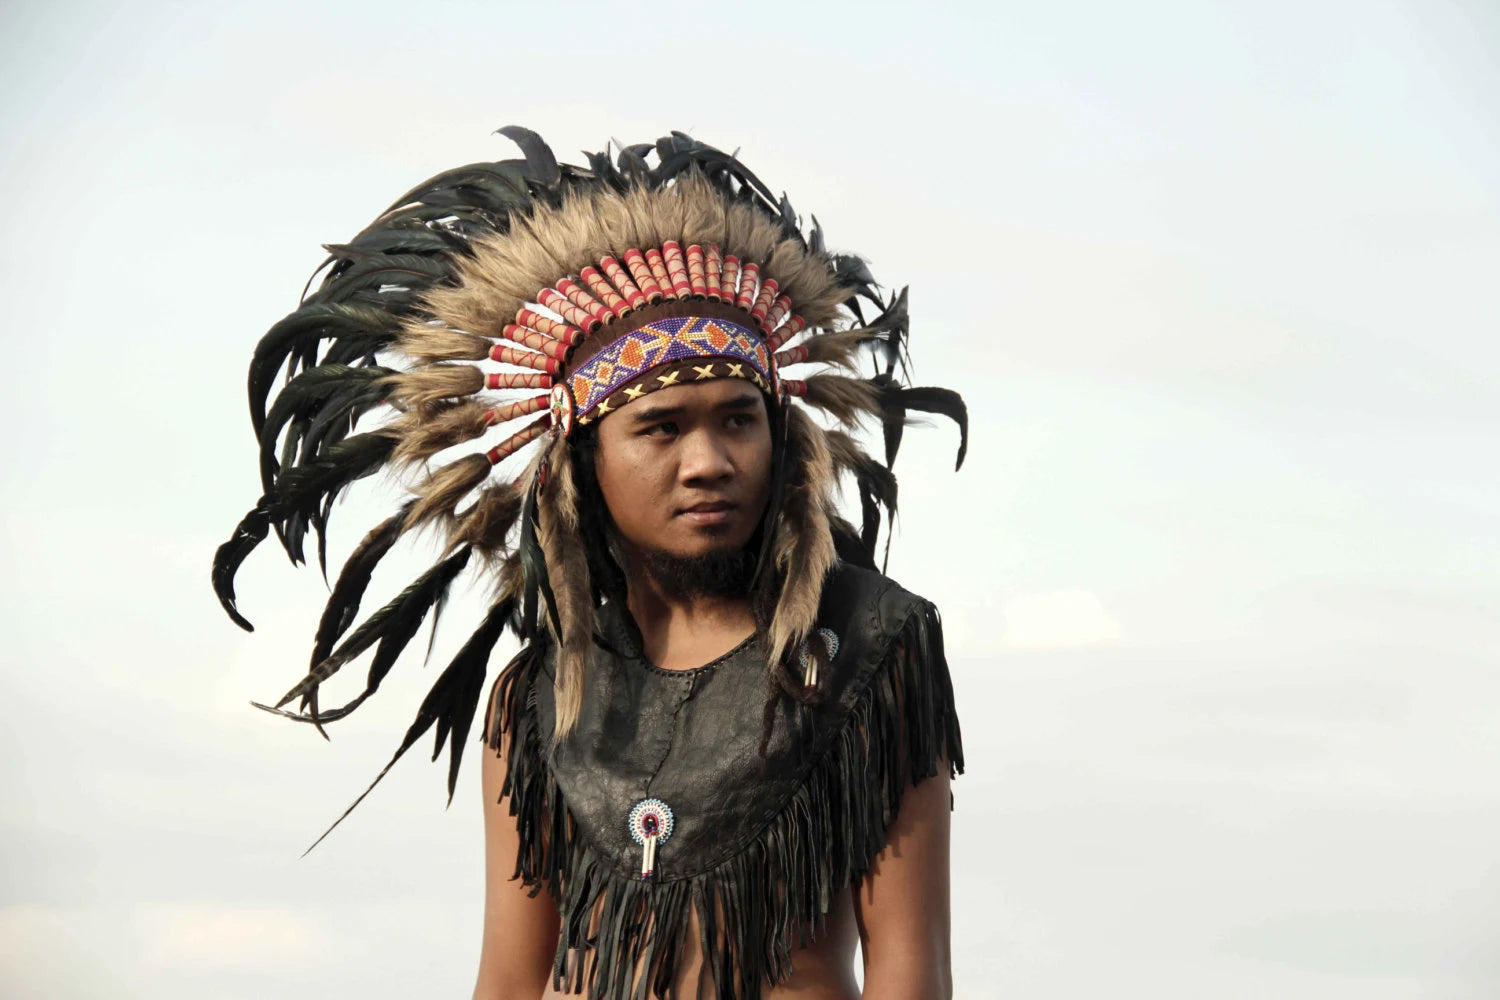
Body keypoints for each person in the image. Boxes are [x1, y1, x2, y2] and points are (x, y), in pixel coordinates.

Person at [213, 127, 968, 1000]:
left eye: (737, 418)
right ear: (583, 463)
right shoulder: (536, 702)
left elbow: (914, 975)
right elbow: (510, 977)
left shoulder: (868, 649)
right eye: (660, 427)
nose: (708, 462)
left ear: (779, 433)